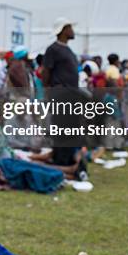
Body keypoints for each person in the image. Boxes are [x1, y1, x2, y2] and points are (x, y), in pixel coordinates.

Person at [42, 17, 83, 168]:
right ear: (63, 31)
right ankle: (60, 160)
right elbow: (46, 71)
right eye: (69, 28)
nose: (72, 31)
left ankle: (68, 158)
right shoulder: (53, 49)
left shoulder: (67, 49)